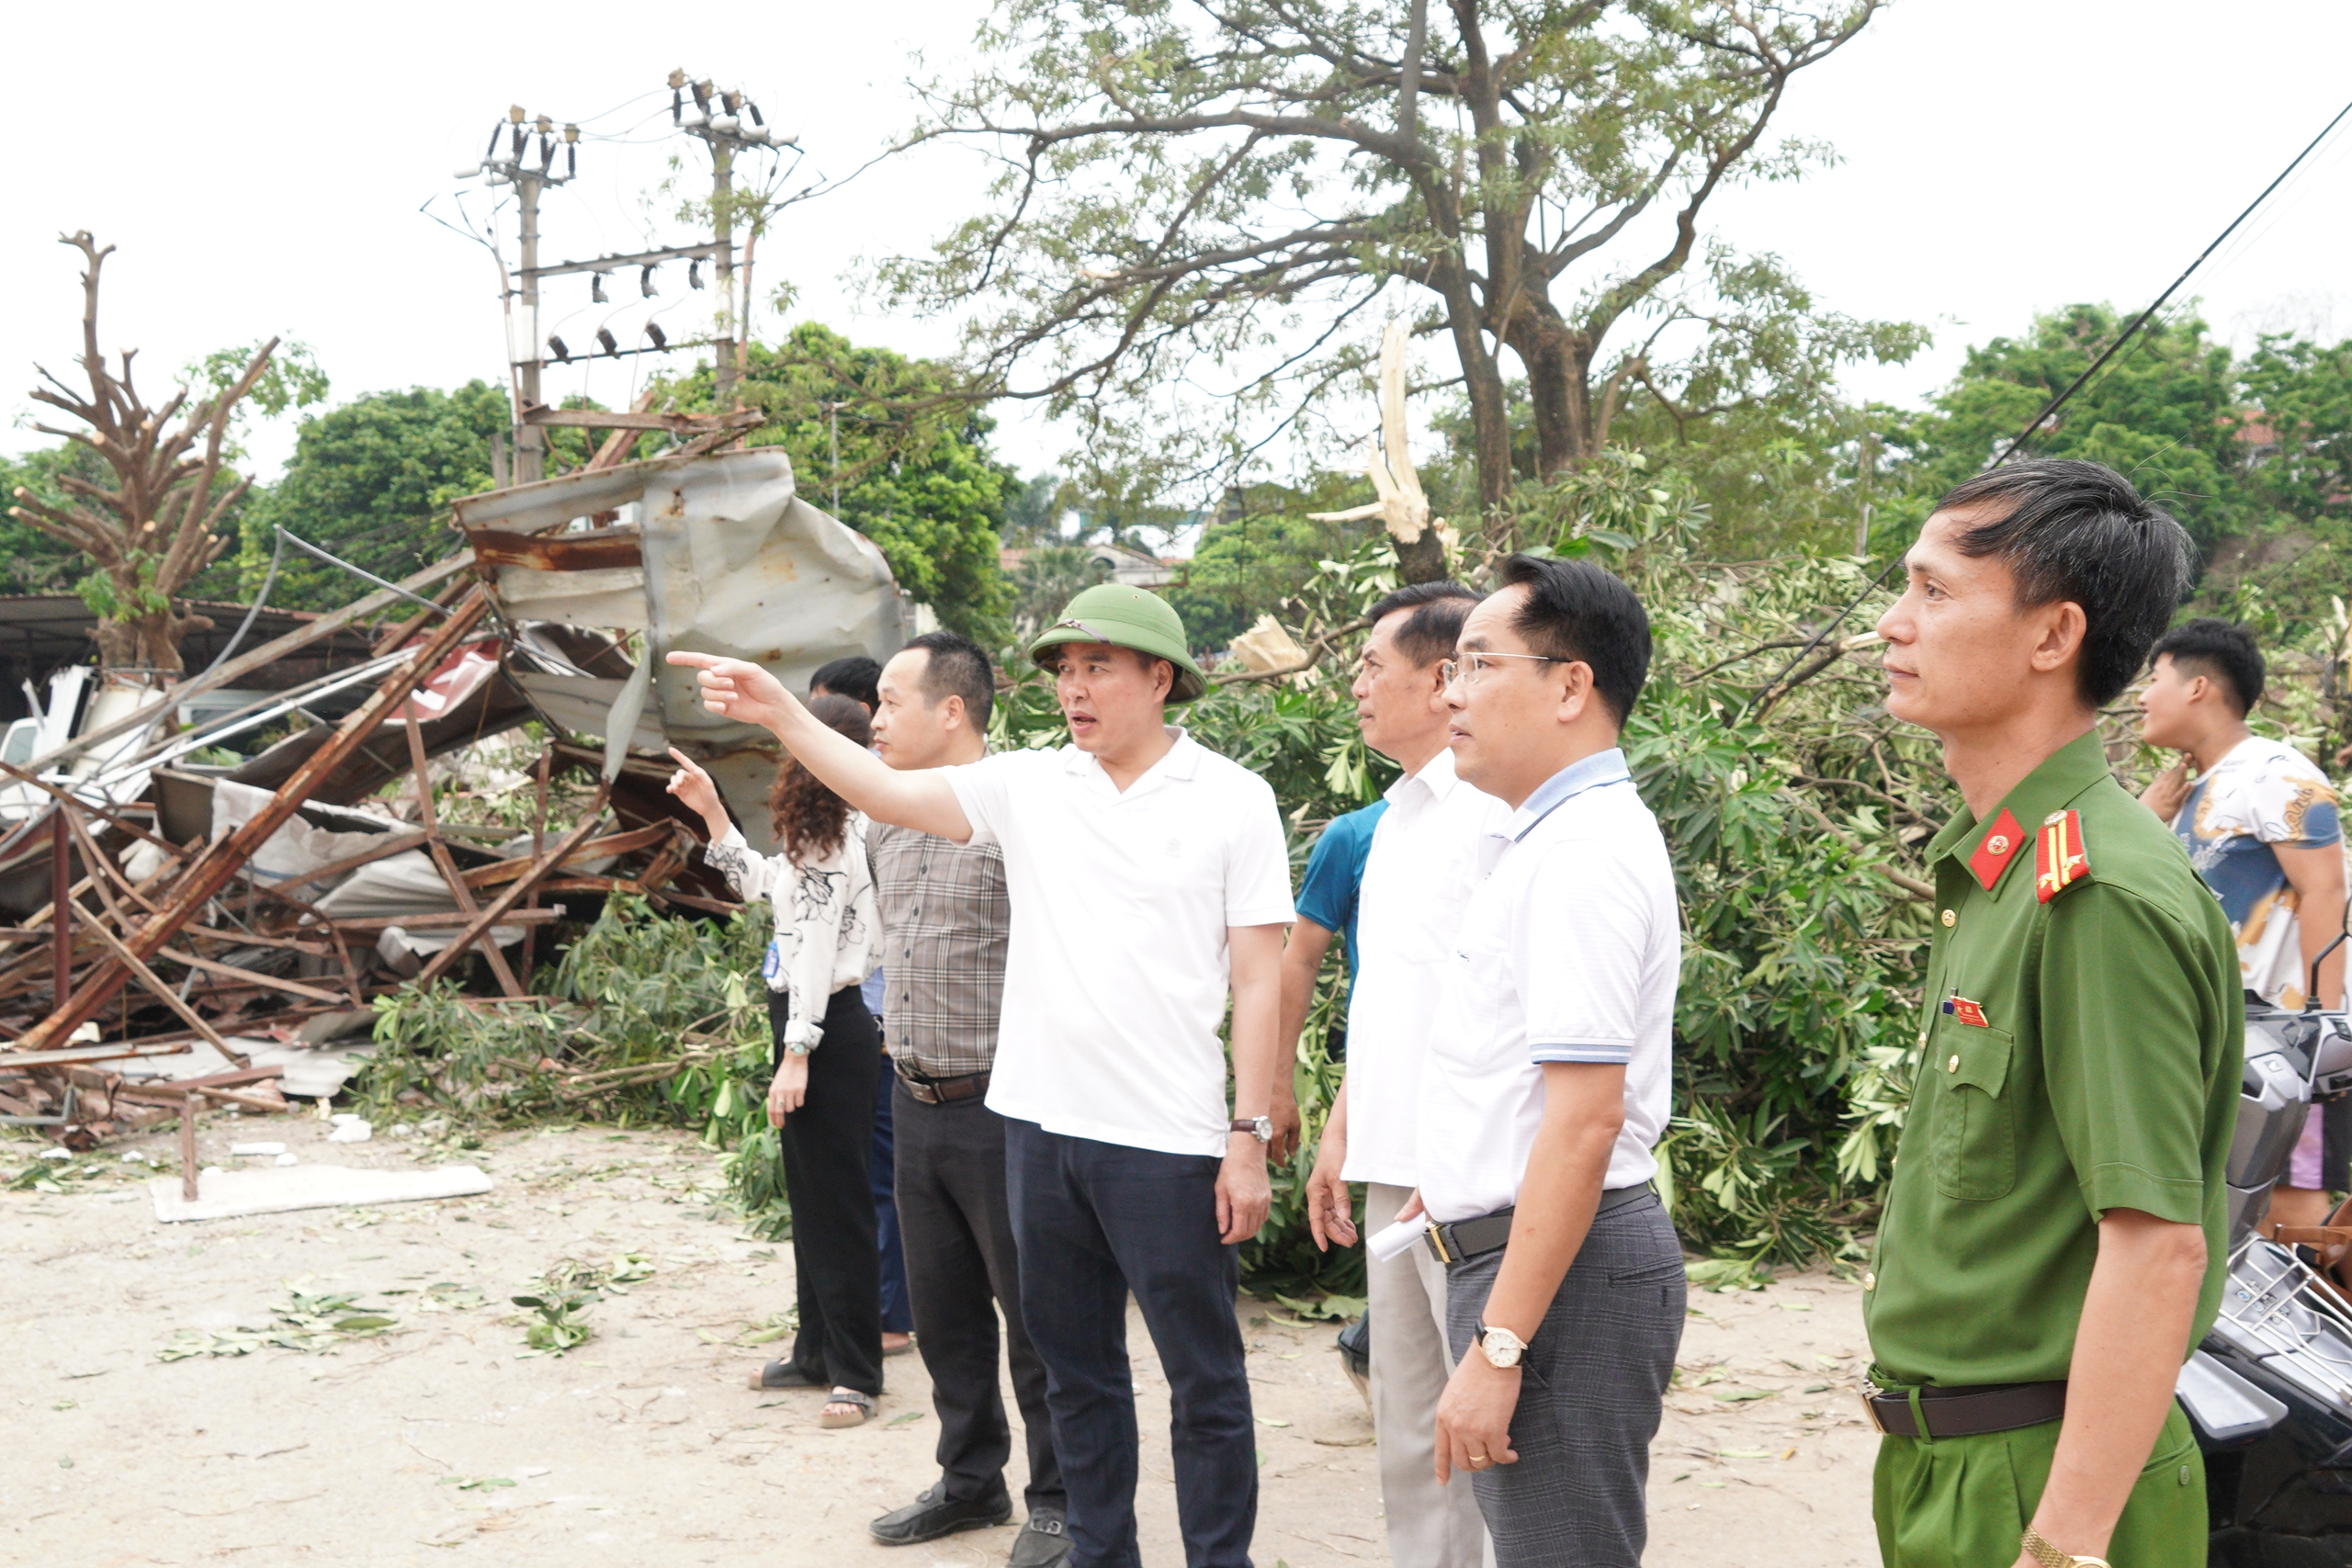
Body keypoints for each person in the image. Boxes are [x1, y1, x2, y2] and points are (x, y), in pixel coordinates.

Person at [670, 581, 1292, 1568]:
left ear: (1159, 678)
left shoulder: (1231, 797)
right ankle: (1099, 1552)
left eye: (1098, 668)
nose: (1074, 689)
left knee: (1203, 1377)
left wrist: (1247, 1134)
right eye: (1064, 670)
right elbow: (882, 792)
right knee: (1077, 1372)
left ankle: (1221, 1557)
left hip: (1166, 1137)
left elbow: (1260, 977)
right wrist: (781, 711)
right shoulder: (1032, 785)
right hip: (1039, 1131)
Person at [1863, 458, 2239, 1568]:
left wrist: (2064, 1547)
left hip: (2041, 1484)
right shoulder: (2002, 871)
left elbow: (2156, 1247)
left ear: (2052, 635)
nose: (1892, 623)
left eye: (1933, 591)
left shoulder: (2097, 893)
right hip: (1956, 1466)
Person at [1401, 555, 1683, 1568]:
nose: (1452, 692)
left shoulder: (1580, 857)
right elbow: (1526, 1080)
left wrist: (1501, 1344)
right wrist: (1461, 1167)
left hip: (1561, 1277)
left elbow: (1586, 1120)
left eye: (1480, 664)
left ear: (1571, 686)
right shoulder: (1549, 837)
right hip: (1535, 1254)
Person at [1295, 580, 1499, 1568]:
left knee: (1481, 1423)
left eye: (1374, 666)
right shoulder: (1397, 818)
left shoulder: (1490, 815)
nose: (1358, 685)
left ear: (1441, 678)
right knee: (1409, 1423)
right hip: (1393, 1165)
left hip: (1460, 1177)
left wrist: (1451, 1161)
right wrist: (1341, 1134)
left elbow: (1500, 1018)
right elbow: (1391, 1006)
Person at [859, 631, 1069, 1568]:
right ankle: (970, 1477)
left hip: (1003, 1104)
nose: (874, 719)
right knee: (944, 1311)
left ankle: (1059, 1498)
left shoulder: (1016, 815)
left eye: (889, 701)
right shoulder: (884, 820)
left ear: (952, 710)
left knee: (1035, 1317)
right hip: (912, 1095)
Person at [664, 695, 886, 1428]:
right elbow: (761, 884)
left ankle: (855, 1370)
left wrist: (797, 1052)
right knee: (813, 1200)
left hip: (824, 1026)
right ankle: (815, 1351)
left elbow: (816, 954)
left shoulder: (836, 834)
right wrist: (711, 811)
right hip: (814, 1024)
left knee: (837, 1204)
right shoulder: (821, 830)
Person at [2138, 617, 2346, 1228]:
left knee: (2289, 1205)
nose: (2142, 697)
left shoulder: (2274, 773)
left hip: (2289, 1044)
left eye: (2153, 679)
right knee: (2225, 1207)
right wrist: (2145, 819)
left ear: (2197, 686)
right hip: (2225, 1039)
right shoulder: (2195, 790)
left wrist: (2323, 1028)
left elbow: (2327, 890)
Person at [811, 653, 916, 1359]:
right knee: (867, 1171)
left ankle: (892, 1314)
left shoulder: (883, 805)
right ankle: (871, 1309)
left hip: (874, 1018)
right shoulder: (841, 802)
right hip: (854, 1014)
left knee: (881, 1171)